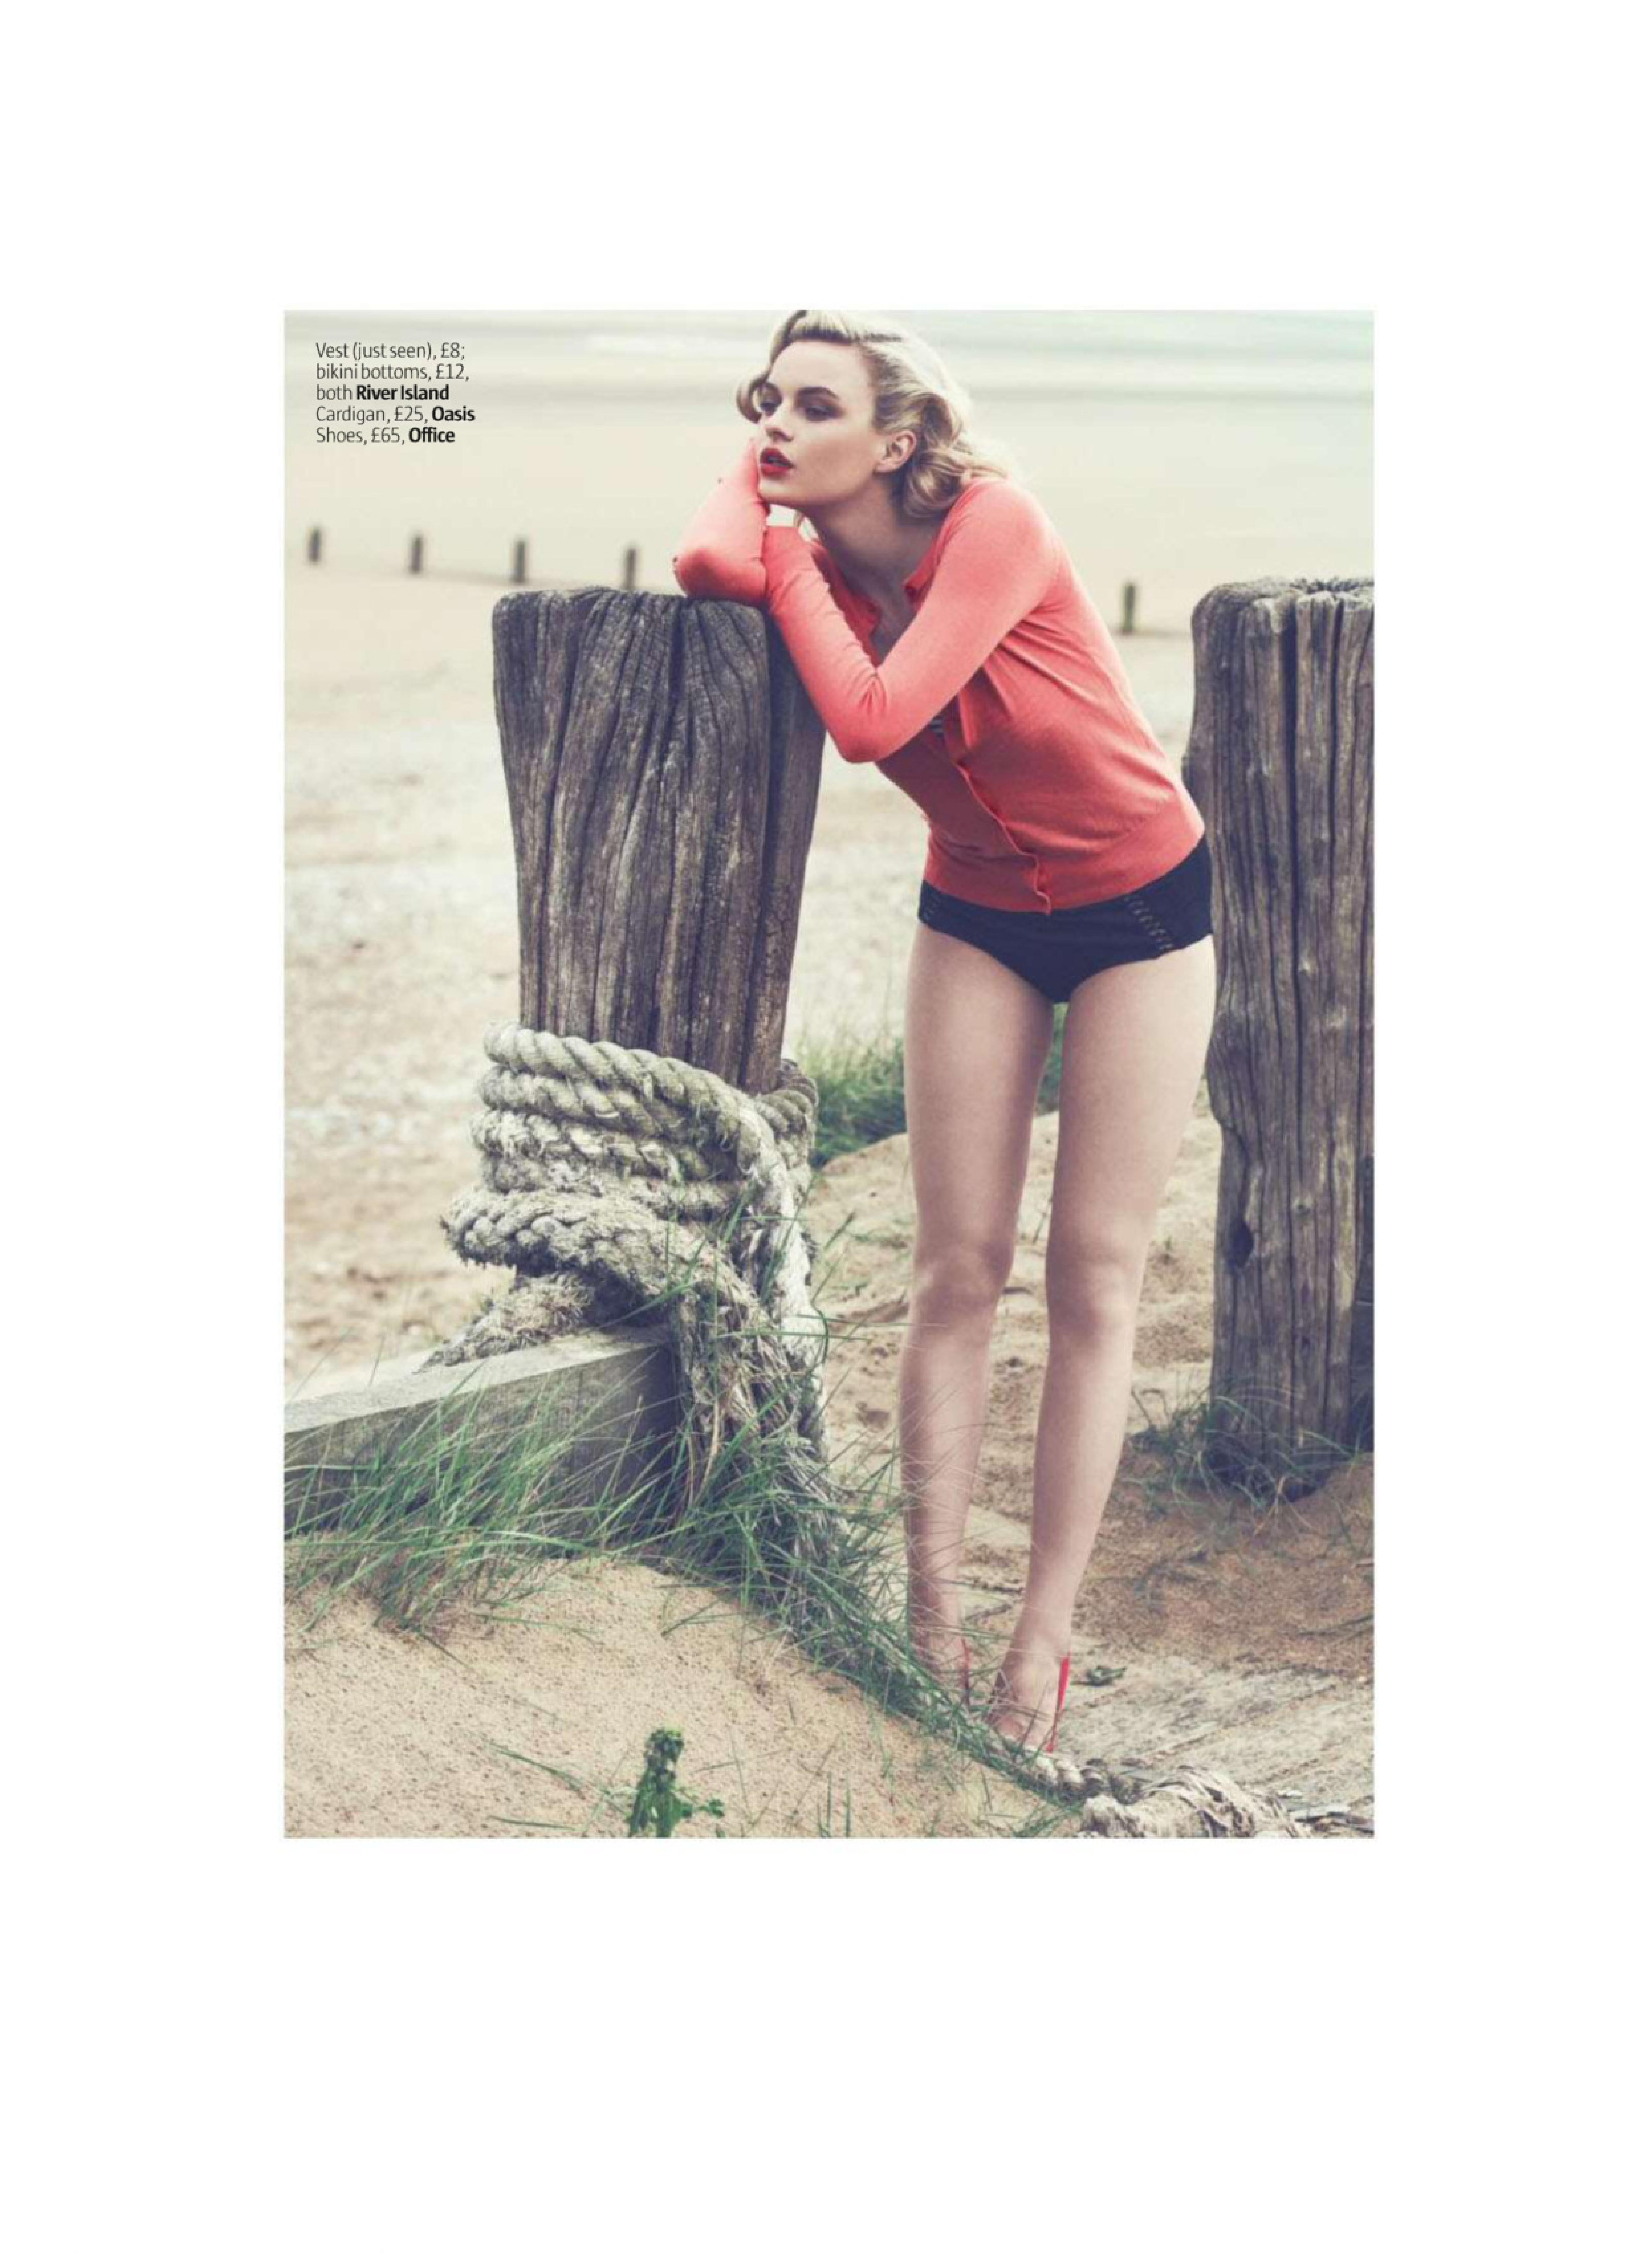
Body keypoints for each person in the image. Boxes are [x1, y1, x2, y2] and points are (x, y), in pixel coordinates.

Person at [672, 310, 1217, 1760]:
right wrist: (771, 498)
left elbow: (872, 717)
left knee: (1091, 1275)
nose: (775, 427)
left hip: (1141, 908)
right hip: (976, 908)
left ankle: (1042, 1637)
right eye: (764, 400)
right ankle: (930, 1620)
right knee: (955, 1268)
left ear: (898, 439)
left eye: (814, 406)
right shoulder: (814, 547)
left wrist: (785, 554)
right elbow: (703, 558)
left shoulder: (995, 525)